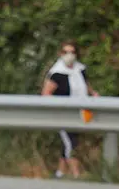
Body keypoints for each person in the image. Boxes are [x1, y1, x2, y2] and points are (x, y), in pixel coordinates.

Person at [40, 40, 99, 179]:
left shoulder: (80, 69)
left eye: (72, 52)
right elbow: (46, 94)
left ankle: (60, 173)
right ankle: (76, 174)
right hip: (63, 114)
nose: (69, 55)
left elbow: (86, 85)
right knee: (71, 142)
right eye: (66, 52)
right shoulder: (57, 73)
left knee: (71, 141)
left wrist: (93, 94)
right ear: (60, 54)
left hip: (80, 111)